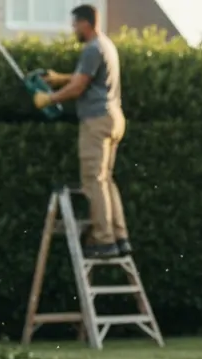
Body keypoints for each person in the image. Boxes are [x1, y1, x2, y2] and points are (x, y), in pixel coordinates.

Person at [36, 4, 131, 260]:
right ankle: (119, 236)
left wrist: (50, 98)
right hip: (114, 118)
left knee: (93, 180)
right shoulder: (106, 45)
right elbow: (85, 77)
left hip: (96, 121)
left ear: (86, 23)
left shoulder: (91, 49)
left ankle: (103, 240)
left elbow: (79, 88)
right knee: (106, 180)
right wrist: (59, 78)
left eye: (75, 24)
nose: (73, 29)